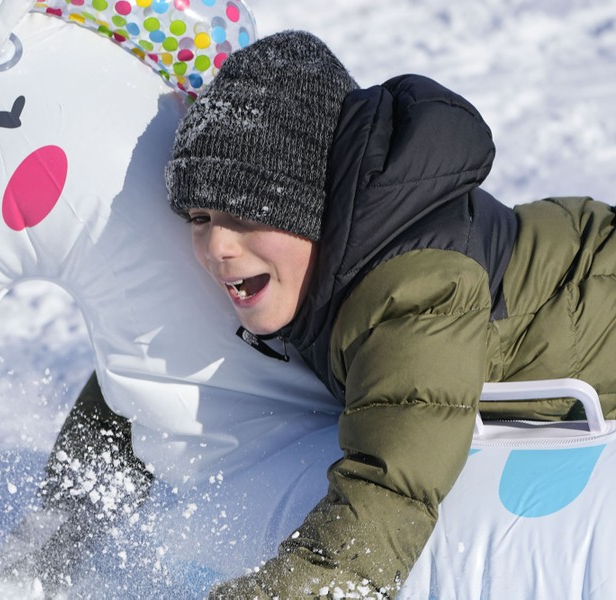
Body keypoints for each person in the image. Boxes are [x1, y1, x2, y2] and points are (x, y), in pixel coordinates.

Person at [165, 29, 616, 598]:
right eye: (200, 218)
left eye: (246, 213)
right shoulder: (313, 276)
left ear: (314, 208)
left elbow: (388, 495)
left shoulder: (413, 291)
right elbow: (149, 367)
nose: (217, 247)